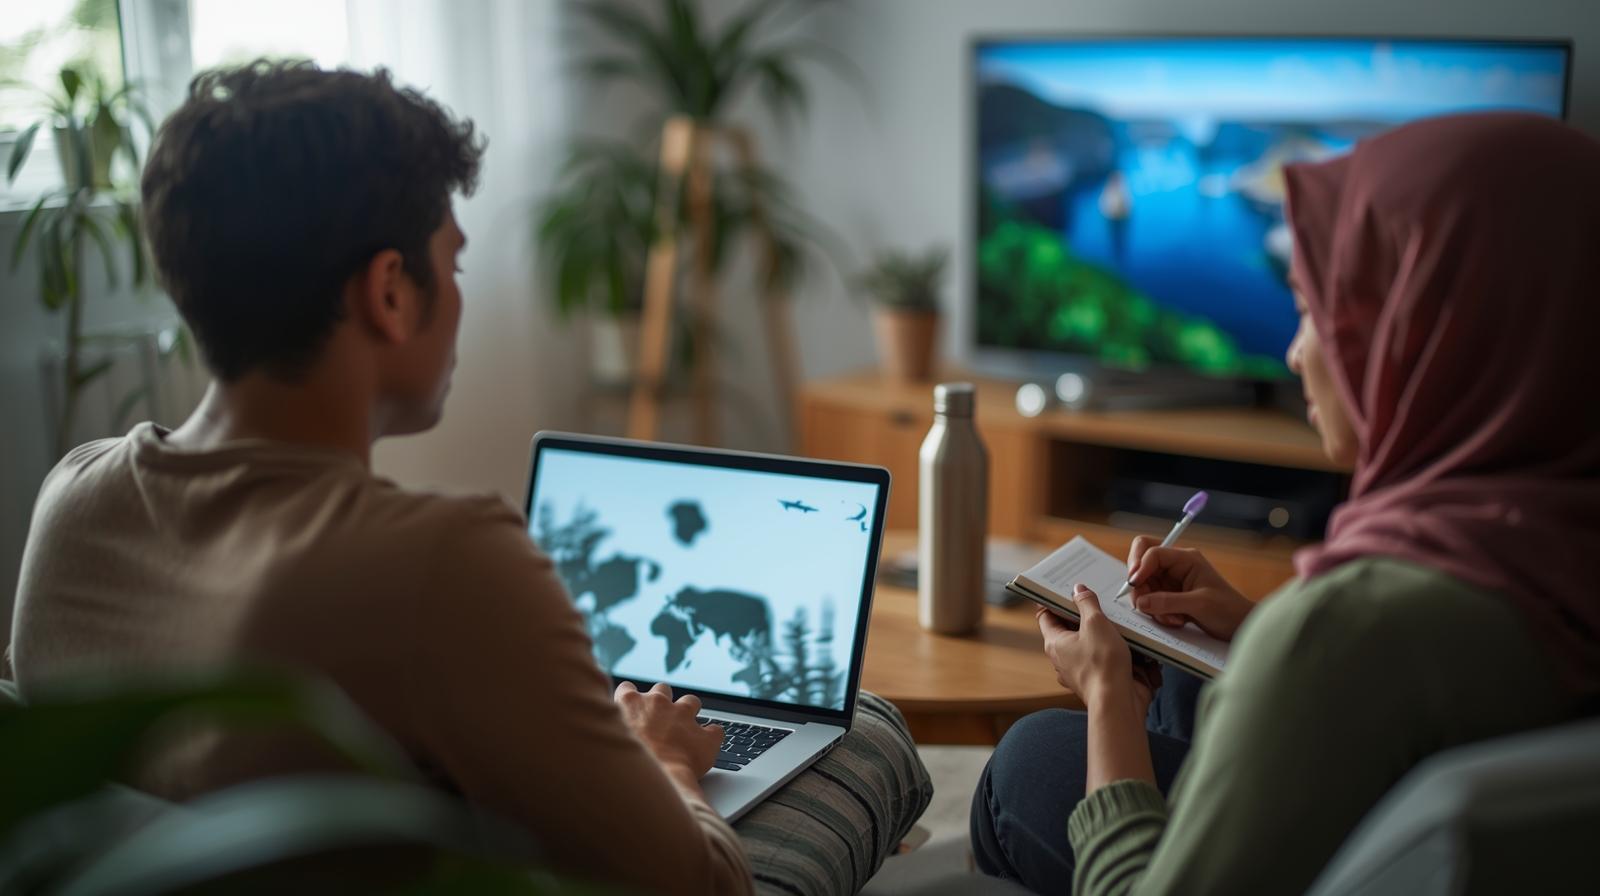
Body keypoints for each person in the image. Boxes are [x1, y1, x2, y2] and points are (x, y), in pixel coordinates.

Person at [7, 61, 752, 895]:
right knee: (857, 740)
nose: (461, 293)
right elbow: (701, 888)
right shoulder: (447, 562)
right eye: (456, 262)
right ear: (390, 292)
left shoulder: (69, 498)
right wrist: (663, 763)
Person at [971, 111, 1600, 895]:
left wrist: (1106, 700)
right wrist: (1256, 624)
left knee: (1029, 756)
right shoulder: (1554, 541)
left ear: (1419, 330)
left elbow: (1348, 655)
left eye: (1316, 308)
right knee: (1193, 675)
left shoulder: (1345, 633)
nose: (1296, 349)